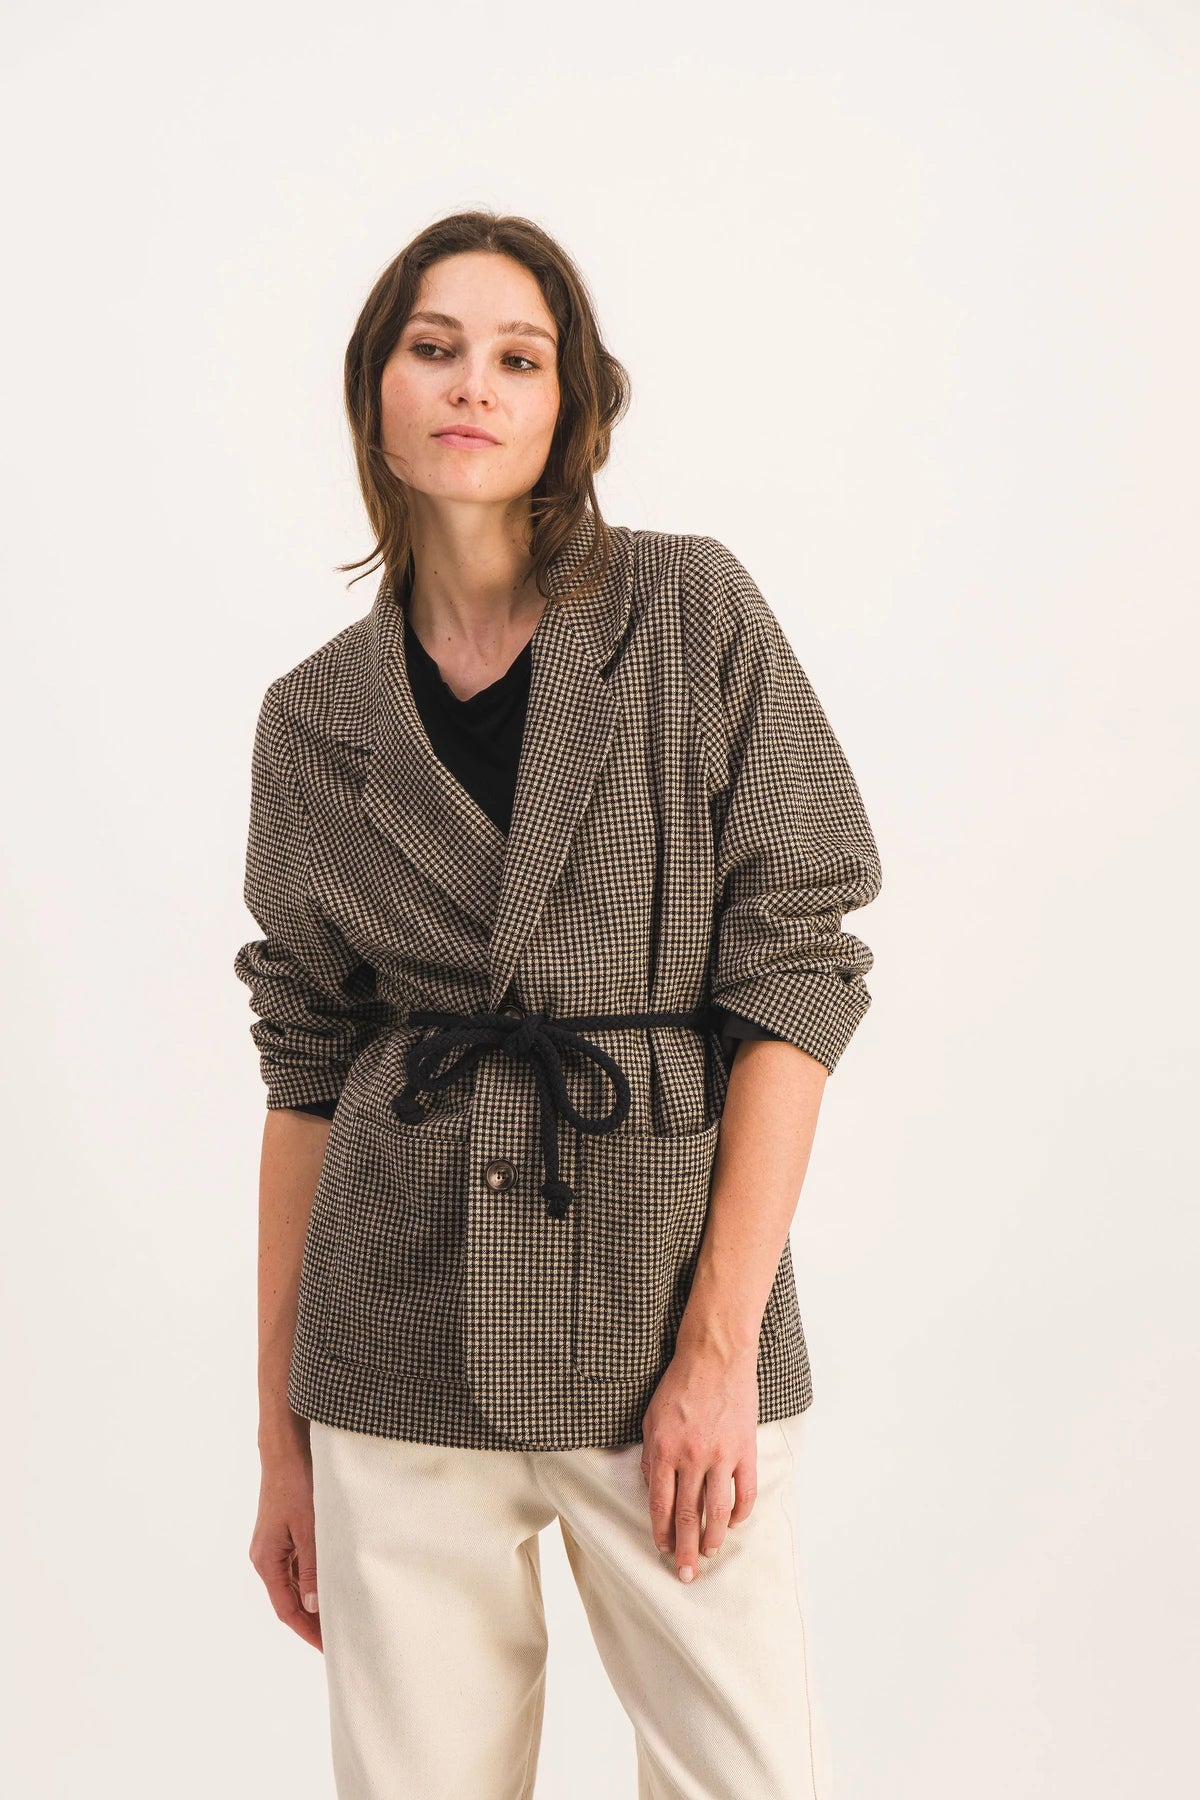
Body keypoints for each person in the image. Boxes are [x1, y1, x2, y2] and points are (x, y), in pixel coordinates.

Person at [236, 209, 882, 1799]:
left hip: (661, 1308)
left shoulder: (688, 612)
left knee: (751, 1775)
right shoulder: (314, 720)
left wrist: (717, 1350)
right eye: (433, 348)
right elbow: (305, 1069)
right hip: (397, 1331)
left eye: (518, 357)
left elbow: (796, 967)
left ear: (569, 406)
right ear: (375, 391)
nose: (474, 384)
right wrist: (280, 1434)